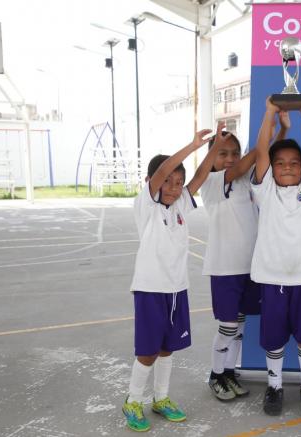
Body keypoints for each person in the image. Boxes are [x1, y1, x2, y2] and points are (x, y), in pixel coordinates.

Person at [122, 125, 223, 432]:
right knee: (148, 351)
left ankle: (161, 398)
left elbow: (201, 176)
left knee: (167, 348)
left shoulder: (180, 204)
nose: (174, 186)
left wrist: (213, 149)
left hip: (177, 289)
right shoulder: (147, 205)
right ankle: (133, 401)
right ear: (152, 183)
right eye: (168, 181)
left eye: (178, 182)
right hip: (151, 290)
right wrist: (192, 145)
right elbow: (164, 169)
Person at [201, 114, 290, 402]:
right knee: (227, 326)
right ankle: (215, 375)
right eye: (222, 153)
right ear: (211, 158)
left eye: (234, 153)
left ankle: (229, 372)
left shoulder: (245, 183)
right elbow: (252, 159)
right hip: (225, 268)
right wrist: (267, 124)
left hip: (250, 267)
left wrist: (283, 130)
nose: (230, 159)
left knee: (239, 325)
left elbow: (260, 159)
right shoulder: (213, 183)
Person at [250, 97, 301, 417]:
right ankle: (275, 386)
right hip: (272, 277)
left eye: (293, 163)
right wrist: (270, 114)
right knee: (274, 339)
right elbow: (259, 154)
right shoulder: (264, 190)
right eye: (280, 162)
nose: (286, 166)